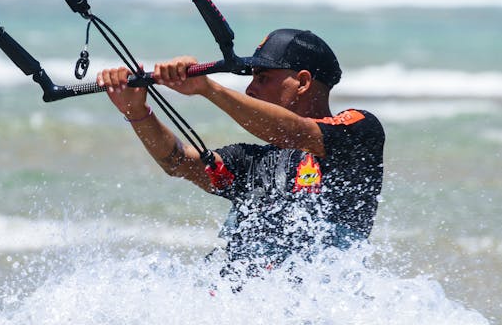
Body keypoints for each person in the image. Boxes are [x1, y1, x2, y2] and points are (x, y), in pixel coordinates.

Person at [97, 29, 384, 280]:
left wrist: (207, 89)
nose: (250, 88)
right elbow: (179, 162)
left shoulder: (359, 130)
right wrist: (136, 112)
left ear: (303, 82)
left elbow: (295, 133)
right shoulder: (253, 163)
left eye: (263, 77)